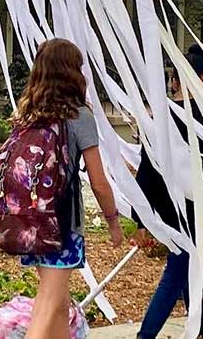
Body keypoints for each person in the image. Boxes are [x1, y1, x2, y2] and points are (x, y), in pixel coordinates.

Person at [11, 38, 123, 339]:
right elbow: (98, 182)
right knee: (48, 302)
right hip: (61, 223)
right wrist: (113, 220)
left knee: (59, 304)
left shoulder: (26, 113)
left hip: (29, 220)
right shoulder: (78, 115)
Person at [131, 46, 203, 339]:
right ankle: (146, 335)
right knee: (178, 270)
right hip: (192, 209)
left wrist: (142, 218)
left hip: (171, 208)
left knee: (189, 267)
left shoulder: (160, 118)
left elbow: (146, 172)